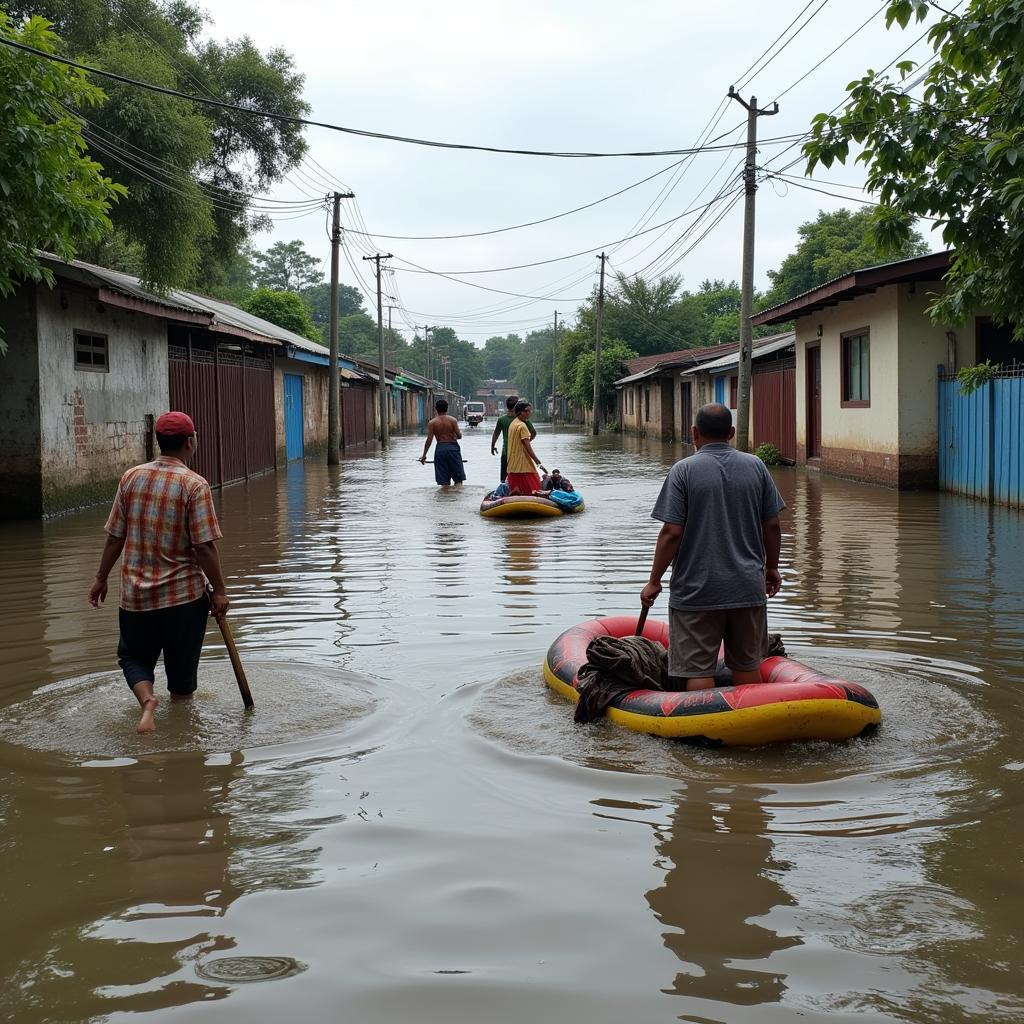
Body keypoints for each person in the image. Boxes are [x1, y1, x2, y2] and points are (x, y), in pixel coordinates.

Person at [88, 411, 229, 734]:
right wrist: (219, 590)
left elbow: (115, 536)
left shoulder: (131, 477)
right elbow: (204, 547)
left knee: (133, 657)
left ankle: (147, 700)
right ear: (190, 443)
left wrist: (100, 578)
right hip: (183, 599)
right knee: (181, 676)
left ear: (159, 441)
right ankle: (181, 729)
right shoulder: (194, 485)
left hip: (136, 598)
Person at [640, 403, 784, 692]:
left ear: (694, 433)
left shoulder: (683, 471)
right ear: (731, 432)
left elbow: (671, 532)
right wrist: (771, 568)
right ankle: (750, 730)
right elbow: (772, 526)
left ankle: (705, 732)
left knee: (698, 670)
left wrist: (654, 581)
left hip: (697, 590)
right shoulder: (756, 466)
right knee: (747, 666)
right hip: (746, 587)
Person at [419, 398, 466, 486]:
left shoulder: (432, 423)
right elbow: (459, 436)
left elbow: (429, 440)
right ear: (447, 408)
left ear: (436, 409)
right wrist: (456, 435)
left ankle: (444, 498)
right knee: (458, 480)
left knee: (443, 482)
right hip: (453, 448)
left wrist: (424, 455)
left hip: (440, 449)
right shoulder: (453, 420)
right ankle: (458, 498)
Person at [490, 394, 536, 482]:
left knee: (504, 480)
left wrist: (492, 446)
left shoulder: (501, 419)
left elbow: (496, 433)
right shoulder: (523, 419)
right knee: (520, 480)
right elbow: (533, 433)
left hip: (506, 453)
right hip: (520, 455)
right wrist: (527, 441)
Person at [504, 401, 547, 496]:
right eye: (527, 410)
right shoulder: (522, 426)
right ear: (521, 412)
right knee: (532, 491)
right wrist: (538, 462)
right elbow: (528, 448)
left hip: (513, 464)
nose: (530, 412)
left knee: (517, 491)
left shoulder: (513, 423)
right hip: (523, 464)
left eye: (530, 410)